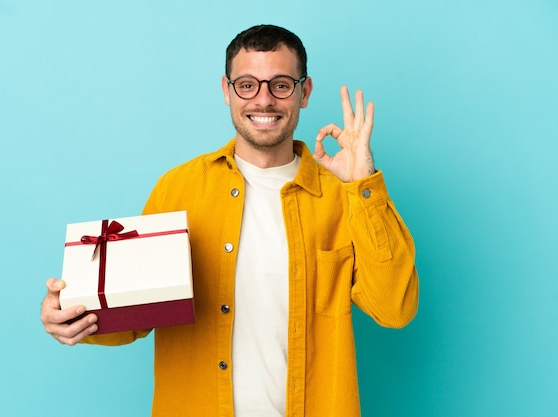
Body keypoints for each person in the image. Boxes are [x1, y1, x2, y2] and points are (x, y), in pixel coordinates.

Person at [41, 24, 419, 417]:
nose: (264, 100)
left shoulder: (345, 197)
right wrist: (72, 315)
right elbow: (137, 314)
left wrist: (363, 187)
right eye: (247, 85)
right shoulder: (179, 189)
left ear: (304, 93)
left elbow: (394, 308)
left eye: (281, 85)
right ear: (226, 90)